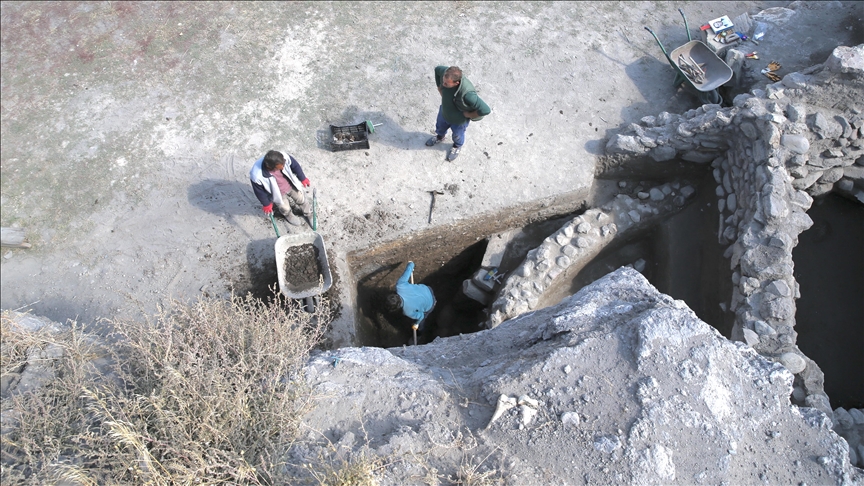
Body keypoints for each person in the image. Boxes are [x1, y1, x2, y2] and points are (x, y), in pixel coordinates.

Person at [426, 65, 492, 161]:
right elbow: (437, 69)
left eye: (446, 84)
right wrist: (439, 87)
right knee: (440, 127)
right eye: (443, 81)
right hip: (444, 112)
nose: (444, 84)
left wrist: (468, 115)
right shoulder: (446, 73)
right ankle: (440, 137)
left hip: (458, 121)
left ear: (456, 83)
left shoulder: (468, 94)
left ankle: (457, 146)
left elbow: (485, 110)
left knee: (457, 135)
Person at [249, 150, 312, 226]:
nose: (283, 167)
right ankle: (288, 215)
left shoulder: (283, 157)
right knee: (284, 207)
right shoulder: (256, 175)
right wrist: (266, 204)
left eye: (283, 164)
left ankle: (308, 213)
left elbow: (295, 165)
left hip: (290, 185)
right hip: (277, 193)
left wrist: (302, 178)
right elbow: (259, 192)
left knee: (301, 199)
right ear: (269, 167)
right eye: (279, 167)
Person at [387, 261, 435, 333]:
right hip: (427, 289)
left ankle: (420, 332)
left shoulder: (407, 312)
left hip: (430, 304)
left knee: (422, 319)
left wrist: (416, 324)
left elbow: (421, 316)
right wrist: (411, 264)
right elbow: (409, 268)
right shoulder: (400, 284)